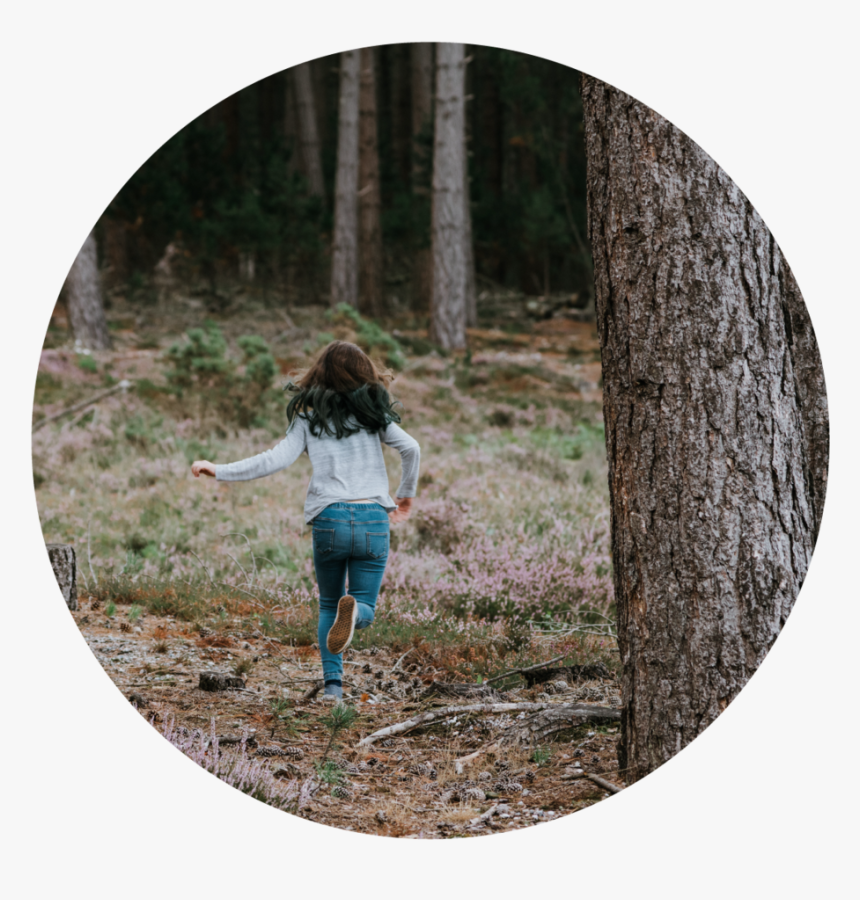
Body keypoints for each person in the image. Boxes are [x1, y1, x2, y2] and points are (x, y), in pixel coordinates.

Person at [191, 341, 420, 702]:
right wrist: (405, 494)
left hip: (329, 518)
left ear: (320, 375)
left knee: (329, 603)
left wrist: (217, 469)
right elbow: (412, 448)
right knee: (365, 608)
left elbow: (274, 459)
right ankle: (356, 610)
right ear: (365, 374)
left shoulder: (309, 418)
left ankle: (333, 690)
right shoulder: (374, 416)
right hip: (374, 516)